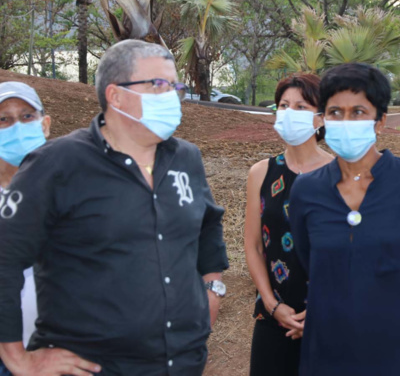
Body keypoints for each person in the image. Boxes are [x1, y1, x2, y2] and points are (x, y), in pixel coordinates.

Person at [0, 40, 229, 376]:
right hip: (94, 366)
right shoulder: (57, 164)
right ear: (116, 96)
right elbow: (5, 257)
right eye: (158, 85)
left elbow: (207, 224)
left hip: (181, 362)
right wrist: (16, 357)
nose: (171, 96)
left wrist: (213, 288)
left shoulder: (186, 157)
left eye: (174, 86)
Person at [288, 63, 400, 376]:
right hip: (328, 354)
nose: (345, 122)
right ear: (322, 119)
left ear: (381, 121)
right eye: (335, 112)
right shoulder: (306, 190)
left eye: (358, 112)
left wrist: (389, 306)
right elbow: (311, 263)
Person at [245, 73, 333, 376]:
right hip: (274, 318)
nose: (289, 113)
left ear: (321, 118)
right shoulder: (261, 172)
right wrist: (272, 305)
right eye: (283, 105)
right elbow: (254, 246)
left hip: (329, 318)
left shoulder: (340, 174)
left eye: (301, 107)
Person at [0, 82, 52, 376]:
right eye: (3, 119)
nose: (16, 127)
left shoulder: (73, 189)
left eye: (27, 116)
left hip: (65, 349)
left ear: (45, 125)